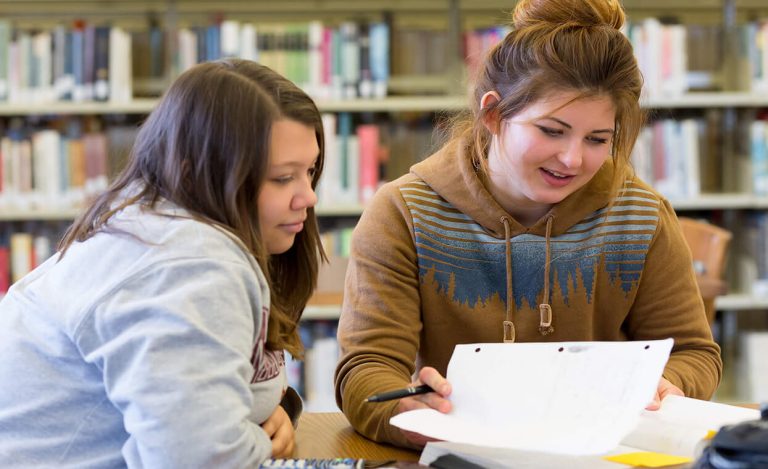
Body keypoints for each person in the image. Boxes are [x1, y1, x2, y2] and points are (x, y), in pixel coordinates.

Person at [335, 0, 722, 449]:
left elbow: (694, 355)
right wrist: (405, 414)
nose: (573, 159)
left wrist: (668, 385)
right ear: (493, 114)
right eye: (552, 131)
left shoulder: (641, 216)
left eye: (598, 139)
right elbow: (366, 370)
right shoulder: (404, 213)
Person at [0, 59, 325, 467]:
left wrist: (268, 415)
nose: (309, 197)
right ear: (199, 173)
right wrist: (251, 440)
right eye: (282, 178)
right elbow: (198, 460)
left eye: (310, 171)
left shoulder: (152, 221)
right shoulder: (193, 265)